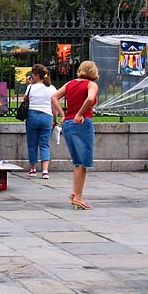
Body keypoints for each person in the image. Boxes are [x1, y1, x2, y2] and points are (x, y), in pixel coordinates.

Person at [51, 60, 99, 210]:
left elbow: (54, 97)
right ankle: (78, 196)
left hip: (68, 123)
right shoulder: (91, 85)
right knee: (83, 161)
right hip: (82, 123)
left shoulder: (70, 83)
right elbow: (90, 99)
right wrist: (80, 114)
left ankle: (75, 192)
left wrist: (63, 113)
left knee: (78, 161)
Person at [24, 64, 59, 179]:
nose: (32, 77)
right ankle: (45, 171)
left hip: (32, 116)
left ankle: (33, 169)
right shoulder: (52, 88)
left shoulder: (31, 87)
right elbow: (54, 106)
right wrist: (55, 119)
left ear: (37, 75)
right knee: (44, 144)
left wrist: (29, 85)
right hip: (46, 116)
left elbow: (25, 99)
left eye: (33, 75)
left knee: (32, 144)